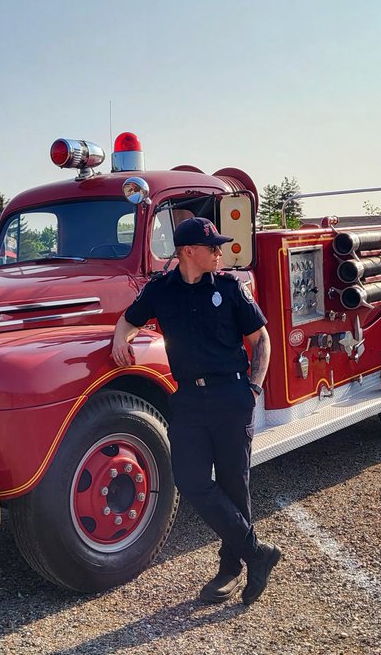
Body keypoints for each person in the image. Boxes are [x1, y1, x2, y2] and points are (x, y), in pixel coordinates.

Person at [111, 217, 279, 605]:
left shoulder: (229, 288)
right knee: (190, 480)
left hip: (232, 395)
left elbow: (261, 339)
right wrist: (121, 339)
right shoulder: (161, 290)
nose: (221, 252)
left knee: (234, 483)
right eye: (213, 246)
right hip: (187, 398)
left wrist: (254, 387)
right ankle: (257, 553)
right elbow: (129, 320)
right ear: (189, 252)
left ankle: (231, 568)